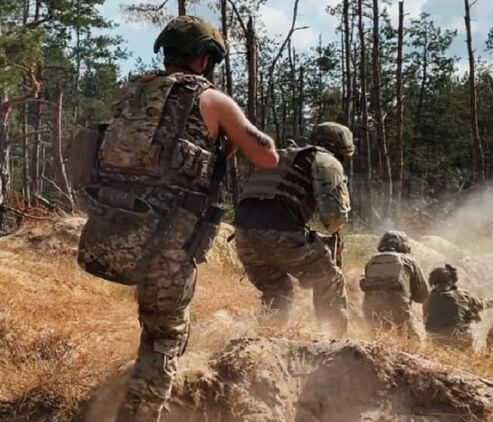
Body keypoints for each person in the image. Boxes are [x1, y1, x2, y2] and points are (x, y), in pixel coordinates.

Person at [75, 16, 279, 422]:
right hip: (168, 238)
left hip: (116, 227)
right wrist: (232, 132)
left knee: (154, 325)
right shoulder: (211, 99)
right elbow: (267, 156)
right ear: (204, 59)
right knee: (164, 336)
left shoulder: (134, 91)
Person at [233, 122, 354, 335]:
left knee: (277, 291)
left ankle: (265, 338)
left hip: (243, 237)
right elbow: (334, 218)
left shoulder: (282, 157)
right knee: (329, 277)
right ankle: (333, 339)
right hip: (280, 233)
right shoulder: (326, 160)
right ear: (339, 149)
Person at [359, 231, 429, 337]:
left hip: (371, 310)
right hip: (398, 310)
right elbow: (423, 295)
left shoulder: (372, 261)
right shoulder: (408, 260)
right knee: (412, 339)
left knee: (375, 338)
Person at [424, 264, 493, 350]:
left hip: (436, 342)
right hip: (459, 341)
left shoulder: (427, 299)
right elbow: (481, 304)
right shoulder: (463, 295)